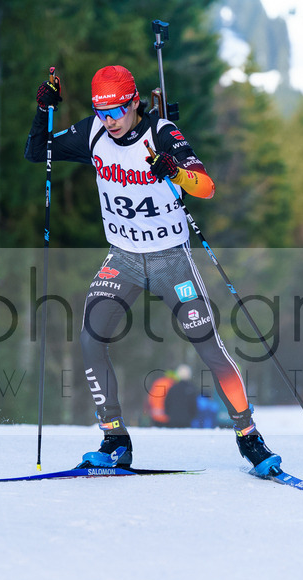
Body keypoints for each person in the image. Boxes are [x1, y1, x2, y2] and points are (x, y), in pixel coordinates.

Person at [24, 65, 283, 476]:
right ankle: (114, 440)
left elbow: (206, 186)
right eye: (100, 112)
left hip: (170, 260)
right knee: (91, 339)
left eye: (115, 112)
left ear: (133, 103)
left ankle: (249, 436)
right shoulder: (92, 132)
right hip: (122, 258)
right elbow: (38, 152)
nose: (108, 121)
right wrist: (43, 111)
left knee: (208, 347)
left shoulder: (161, 133)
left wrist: (175, 171)